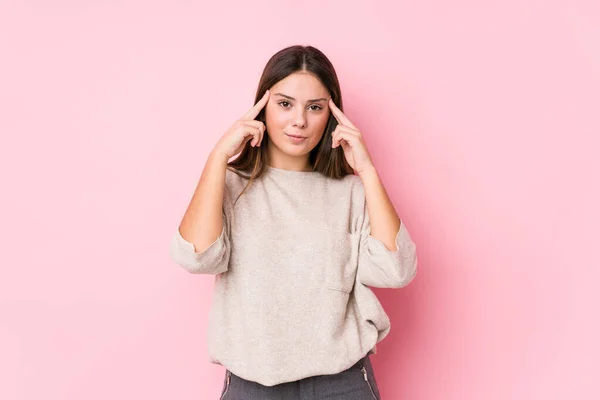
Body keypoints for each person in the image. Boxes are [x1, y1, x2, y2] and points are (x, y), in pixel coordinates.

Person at [169, 45, 418, 400]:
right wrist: (219, 157)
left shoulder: (350, 192)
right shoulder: (229, 185)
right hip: (252, 384)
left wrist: (367, 170)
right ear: (262, 107)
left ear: (331, 116)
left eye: (314, 107)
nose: (299, 120)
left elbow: (396, 271)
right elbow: (196, 257)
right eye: (285, 103)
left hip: (342, 383)